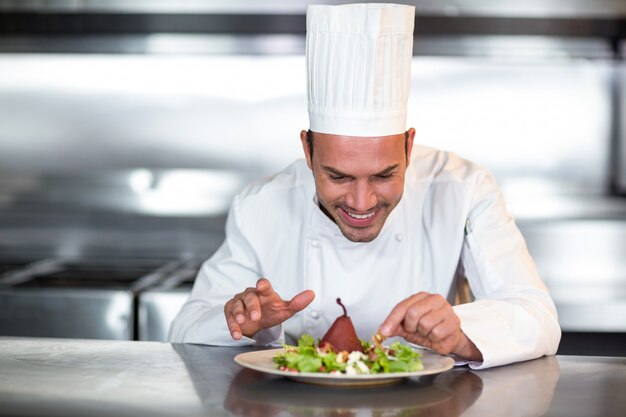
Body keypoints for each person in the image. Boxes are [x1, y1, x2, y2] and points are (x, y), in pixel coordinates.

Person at [169, 3, 561, 369]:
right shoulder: (260, 206)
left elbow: (538, 316)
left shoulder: (462, 188)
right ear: (307, 150)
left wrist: (459, 331)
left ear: (408, 147)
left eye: (383, 175)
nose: (361, 201)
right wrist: (245, 322)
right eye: (338, 176)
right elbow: (185, 330)